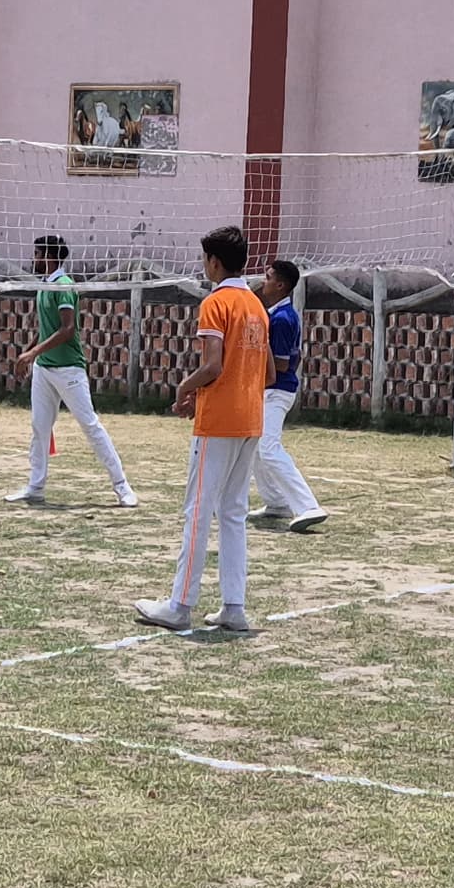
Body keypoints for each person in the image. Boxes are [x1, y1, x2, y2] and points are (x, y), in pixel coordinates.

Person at [136, 225, 268, 633]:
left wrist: (185, 388)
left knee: (198, 511)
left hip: (220, 423)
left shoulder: (216, 302)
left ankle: (180, 605)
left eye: (205, 259)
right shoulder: (257, 306)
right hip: (251, 418)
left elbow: (212, 365)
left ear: (214, 261)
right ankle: (234, 606)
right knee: (233, 513)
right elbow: (265, 372)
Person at [7, 233, 137, 508]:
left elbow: (67, 330)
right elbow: (47, 328)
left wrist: (32, 353)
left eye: (37, 254)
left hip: (68, 369)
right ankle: (35, 486)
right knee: (40, 427)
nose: (34, 259)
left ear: (48, 256)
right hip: (44, 369)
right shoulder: (45, 284)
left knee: (90, 425)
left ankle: (122, 487)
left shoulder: (64, 286)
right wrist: (29, 353)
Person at [246, 257, 327, 532]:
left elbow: (280, 364)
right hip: (272, 389)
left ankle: (307, 506)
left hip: (276, 391)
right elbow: (297, 356)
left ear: (280, 285)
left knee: (269, 449)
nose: (263, 282)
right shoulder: (280, 314)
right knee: (256, 448)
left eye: (268, 278)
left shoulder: (280, 319)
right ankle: (276, 502)